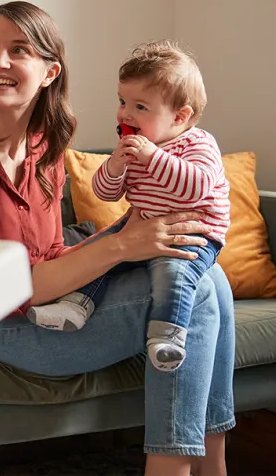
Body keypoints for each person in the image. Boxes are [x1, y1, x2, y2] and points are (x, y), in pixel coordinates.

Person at [0, 1, 235, 476]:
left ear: (49, 72)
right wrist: (123, 244)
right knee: (199, 290)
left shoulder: (45, 147)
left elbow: (52, 253)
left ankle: (211, 466)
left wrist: (128, 246)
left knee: (211, 275)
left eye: (19, 50)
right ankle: (175, 469)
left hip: (37, 303)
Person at [27, 41, 230, 373]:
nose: (125, 114)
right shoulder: (134, 146)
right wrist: (115, 166)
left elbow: (195, 187)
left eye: (140, 107)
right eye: (123, 102)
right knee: (94, 252)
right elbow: (105, 192)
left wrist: (152, 156)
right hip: (142, 223)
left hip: (191, 234)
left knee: (174, 273)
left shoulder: (198, 143)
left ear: (180, 116)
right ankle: (75, 305)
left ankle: (167, 335)